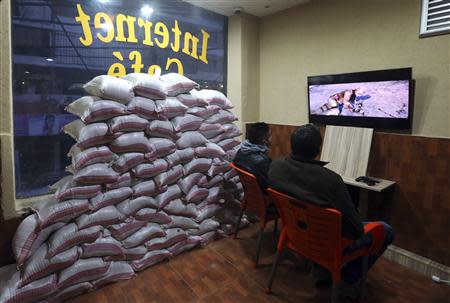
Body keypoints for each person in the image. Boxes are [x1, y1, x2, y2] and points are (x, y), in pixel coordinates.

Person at [268, 124, 394, 298]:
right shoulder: (331, 180)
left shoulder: (275, 167)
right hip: (326, 243)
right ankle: (346, 278)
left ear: (292, 144)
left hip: (295, 234)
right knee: (385, 230)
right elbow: (356, 230)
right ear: (318, 150)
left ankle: (323, 270)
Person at [233, 122, 272, 190]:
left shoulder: (240, 151)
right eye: (270, 135)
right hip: (263, 196)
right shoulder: (264, 161)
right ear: (264, 140)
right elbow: (268, 186)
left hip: (249, 192)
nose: (272, 138)